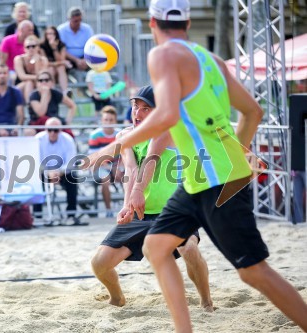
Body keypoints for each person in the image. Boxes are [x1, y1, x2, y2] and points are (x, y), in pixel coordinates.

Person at [86, 1, 307, 331]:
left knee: (252, 271)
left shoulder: (162, 55)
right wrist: (238, 153)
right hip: (199, 182)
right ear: (188, 22)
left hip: (217, 180)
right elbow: (254, 112)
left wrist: (115, 145)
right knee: (156, 247)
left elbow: (167, 116)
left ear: (152, 23)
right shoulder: (212, 60)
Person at [91, 86, 213, 311]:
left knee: (190, 250)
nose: (137, 113)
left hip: (175, 211)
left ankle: (206, 302)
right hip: (141, 212)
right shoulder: (124, 136)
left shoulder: (168, 130)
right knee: (99, 264)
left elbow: (151, 159)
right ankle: (117, 298)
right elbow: (131, 170)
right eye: (135, 106)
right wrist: (127, 205)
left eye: (145, 108)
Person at [35, 117, 80, 224]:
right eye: (50, 130)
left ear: (60, 130)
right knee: (36, 181)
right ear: (45, 129)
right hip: (43, 172)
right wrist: (49, 173)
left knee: (72, 179)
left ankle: (71, 214)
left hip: (63, 172)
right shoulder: (37, 139)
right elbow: (35, 161)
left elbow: (71, 162)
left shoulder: (68, 139)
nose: (52, 133)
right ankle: (37, 216)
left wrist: (58, 172)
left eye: (56, 130)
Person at [88, 106, 122, 218]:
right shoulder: (95, 135)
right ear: (102, 121)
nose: (108, 122)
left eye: (111, 120)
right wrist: (113, 169)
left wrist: (118, 168)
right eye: (106, 120)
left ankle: (130, 207)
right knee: (105, 180)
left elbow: (125, 155)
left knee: (131, 175)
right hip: (99, 166)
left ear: (115, 121)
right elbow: (97, 158)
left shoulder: (120, 134)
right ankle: (109, 210)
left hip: (117, 164)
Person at [28, 70, 76, 136]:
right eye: (40, 80)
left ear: (52, 82)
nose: (43, 82)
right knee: (45, 120)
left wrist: (68, 121)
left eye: (46, 80)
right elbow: (41, 113)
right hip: (38, 124)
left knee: (68, 133)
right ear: (37, 83)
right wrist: (44, 94)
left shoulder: (55, 93)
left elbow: (72, 105)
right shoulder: (34, 95)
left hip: (54, 122)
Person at [13, 34, 48, 102]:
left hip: (38, 85)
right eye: (28, 47)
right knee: (29, 82)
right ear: (24, 48)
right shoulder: (19, 59)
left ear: (38, 47)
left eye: (33, 46)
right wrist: (36, 77)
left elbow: (42, 77)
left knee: (40, 84)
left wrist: (37, 62)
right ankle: (30, 105)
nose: (31, 49)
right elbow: (22, 76)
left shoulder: (43, 60)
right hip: (22, 84)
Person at [57, 7, 93, 71]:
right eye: (76, 21)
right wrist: (76, 60)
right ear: (69, 19)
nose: (78, 23)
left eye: (80, 20)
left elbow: (91, 47)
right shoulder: (61, 30)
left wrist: (85, 59)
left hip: (85, 58)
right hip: (68, 58)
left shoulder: (87, 29)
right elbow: (61, 49)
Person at [40, 26, 70, 94]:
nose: (50, 36)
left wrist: (54, 48)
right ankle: (52, 91)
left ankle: (65, 91)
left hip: (59, 70)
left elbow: (61, 60)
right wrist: (58, 63)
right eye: (48, 34)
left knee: (61, 68)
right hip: (49, 70)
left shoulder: (61, 45)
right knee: (51, 69)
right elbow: (45, 62)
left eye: (52, 34)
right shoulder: (42, 45)